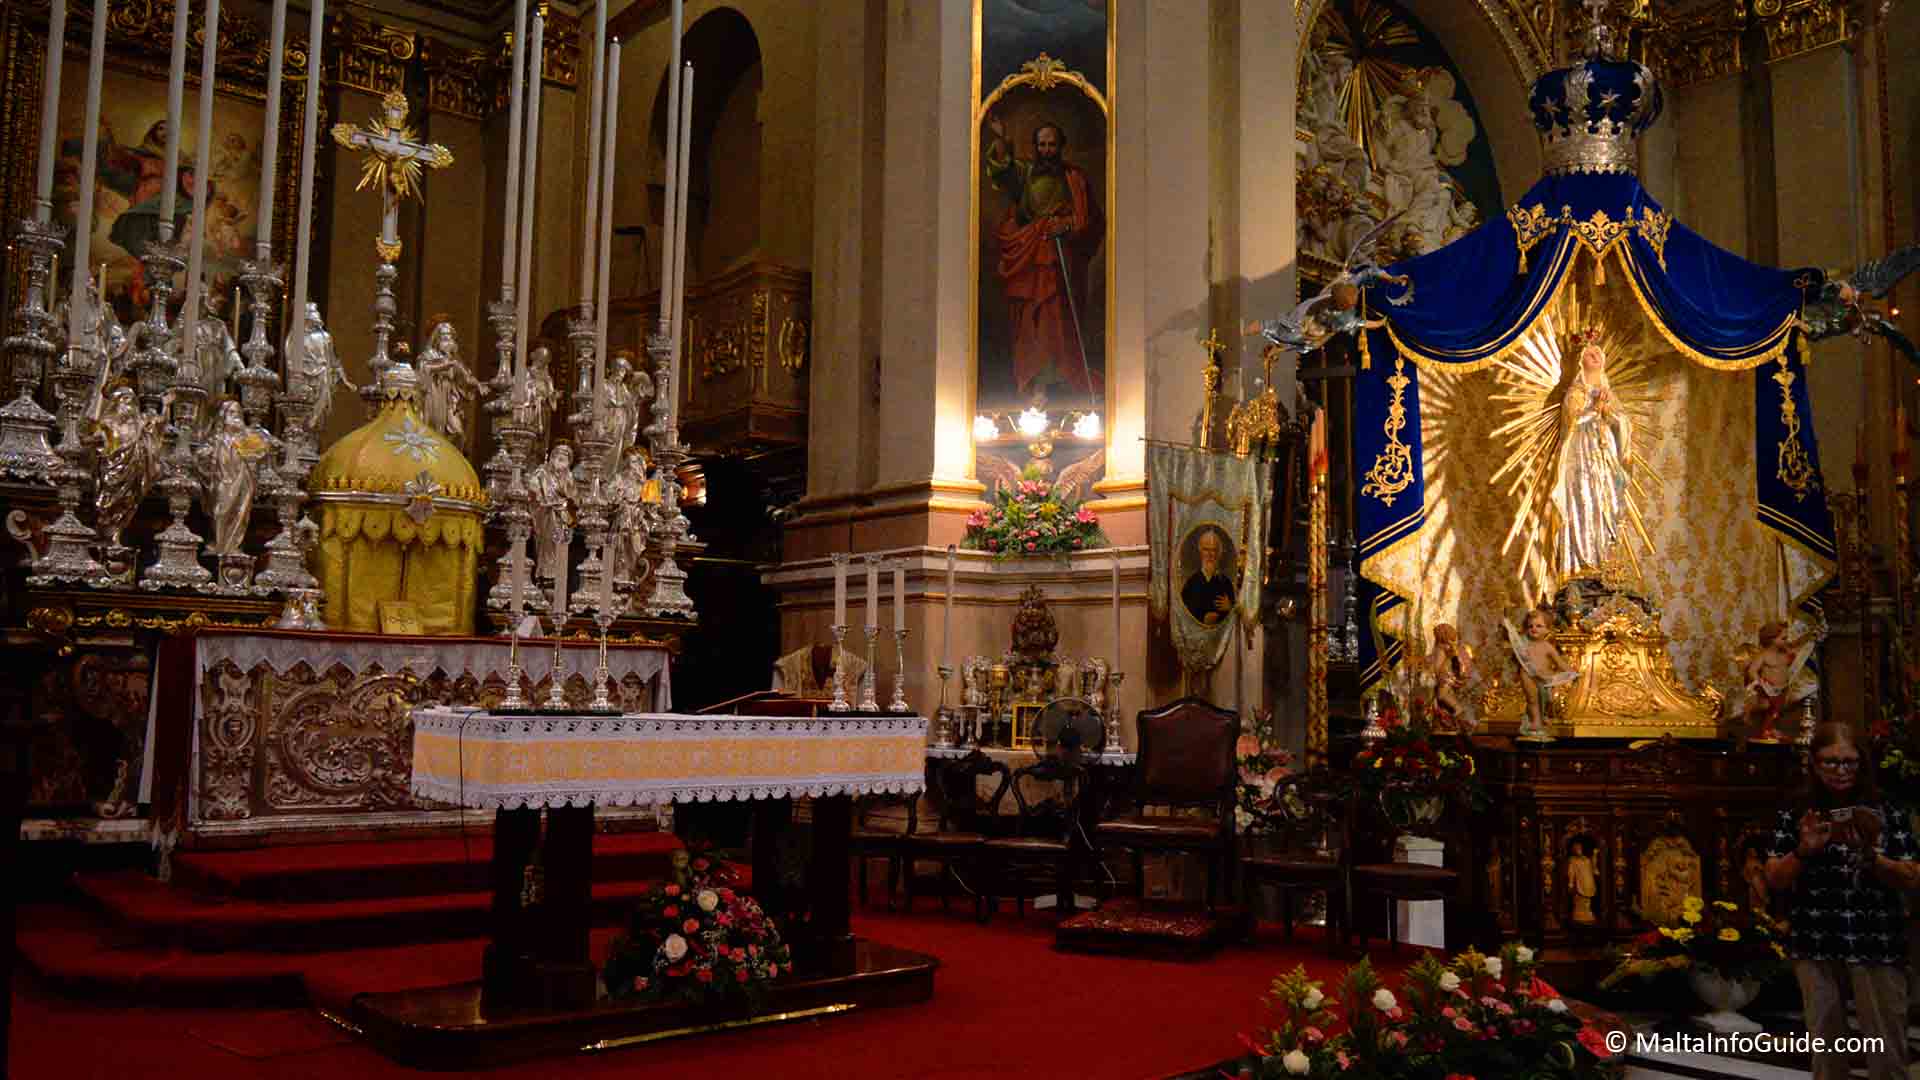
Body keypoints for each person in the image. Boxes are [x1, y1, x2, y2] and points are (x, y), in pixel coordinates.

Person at [1765, 722, 1920, 1080]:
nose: (1841, 770)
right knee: (1826, 1048)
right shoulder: (1797, 810)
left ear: (1862, 763)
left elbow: (1912, 875)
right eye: (1830, 762)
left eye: (1849, 762)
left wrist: (1873, 858)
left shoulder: (1887, 808)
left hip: (1876, 938)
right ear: (1814, 764)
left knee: (1886, 1048)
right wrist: (1803, 851)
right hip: (1816, 938)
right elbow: (1774, 877)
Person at [983, 113, 1104, 399]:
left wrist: (1068, 225)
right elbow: (1003, 173)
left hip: (1060, 259)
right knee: (1032, 320)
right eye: (1041, 145)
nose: (1046, 150)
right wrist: (1002, 139)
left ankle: (1063, 376)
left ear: (1060, 146)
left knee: (1057, 317)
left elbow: (1091, 220)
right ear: (1035, 147)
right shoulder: (1026, 173)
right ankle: (1035, 380)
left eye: (1051, 145)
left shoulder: (1074, 178)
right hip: (1029, 256)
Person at [1551, 329, 1632, 580]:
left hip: (1605, 462)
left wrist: (1608, 412)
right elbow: (1572, 424)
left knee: (1607, 504)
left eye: (1598, 352)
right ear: (1580, 362)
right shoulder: (1575, 393)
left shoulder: (1608, 393)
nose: (1596, 355)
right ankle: (1582, 566)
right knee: (1584, 503)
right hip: (1581, 461)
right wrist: (1594, 410)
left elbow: (1623, 424)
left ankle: (1605, 562)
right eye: (1589, 353)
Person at [1741, 620, 1821, 743]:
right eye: (1783, 638)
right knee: (1765, 706)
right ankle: (1749, 711)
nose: (1786, 641)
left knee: (1776, 712)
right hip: (1768, 688)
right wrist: (1760, 683)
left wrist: (1809, 637)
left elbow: (1799, 649)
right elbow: (1752, 670)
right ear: (1771, 639)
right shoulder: (1763, 655)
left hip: (1782, 689)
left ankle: (1769, 731)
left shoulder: (1785, 653)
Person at [1504, 606, 1575, 739]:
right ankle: (1536, 721)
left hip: (1545, 678)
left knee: (1547, 699)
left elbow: (1559, 662)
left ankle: (1542, 717)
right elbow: (1516, 652)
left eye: (1539, 626)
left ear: (1547, 629)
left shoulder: (1547, 647)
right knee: (1532, 699)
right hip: (1527, 675)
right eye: (1530, 626)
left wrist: (1571, 672)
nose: (1534, 629)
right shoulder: (1524, 645)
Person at [1181, 527, 1235, 626]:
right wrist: (1202, 618)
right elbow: (1183, 613)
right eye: (1206, 549)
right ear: (1200, 551)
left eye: (1214, 550)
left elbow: (1234, 617)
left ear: (1218, 553)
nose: (1210, 554)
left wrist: (1229, 608)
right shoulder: (1191, 583)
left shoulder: (1226, 583)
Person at [1567, 838, 1597, 925]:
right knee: (1579, 900)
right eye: (1576, 848)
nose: (1578, 850)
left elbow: (1593, 868)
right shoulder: (1573, 860)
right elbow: (1571, 872)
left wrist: (1595, 856)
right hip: (1579, 882)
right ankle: (1579, 915)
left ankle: (1587, 913)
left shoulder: (1587, 859)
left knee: (1587, 900)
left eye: (1579, 848)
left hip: (1588, 881)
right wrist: (1571, 883)